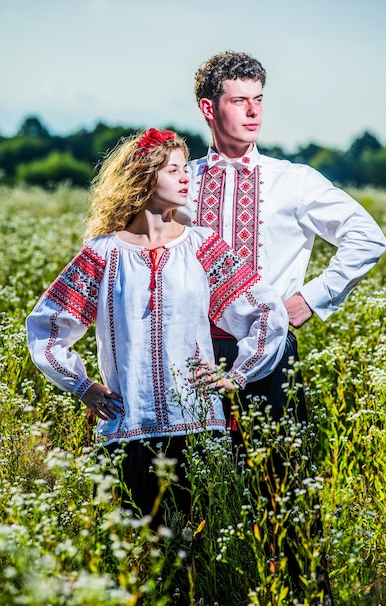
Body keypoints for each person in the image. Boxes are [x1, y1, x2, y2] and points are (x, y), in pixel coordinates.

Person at [176, 51, 386, 606]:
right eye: (239, 100)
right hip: (188, 358)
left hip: (270, 355)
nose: (252, 112)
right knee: (188, 491)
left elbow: (367, 237)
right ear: (208, 108)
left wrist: (311, 299)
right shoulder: (180, 181)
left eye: (259, 100)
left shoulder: (292, 180)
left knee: (284, 489)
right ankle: (202, 605)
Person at [26, 127, 289, 530]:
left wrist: (237, 373)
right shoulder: (103, 253)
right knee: (138, 553)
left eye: (186, 169)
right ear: (145, 176)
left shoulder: (202, 245)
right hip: (127, 426)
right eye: (173, 169)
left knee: (199, 552)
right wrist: (82, 386)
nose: (186, 177)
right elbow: (46, 327)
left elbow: (264, 311)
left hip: (199, 425)